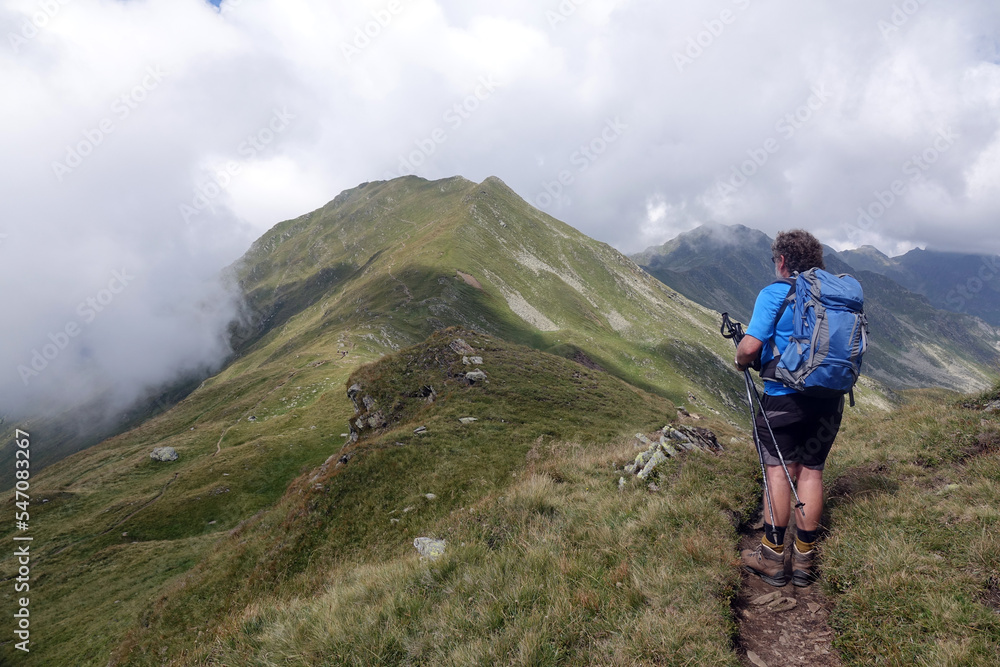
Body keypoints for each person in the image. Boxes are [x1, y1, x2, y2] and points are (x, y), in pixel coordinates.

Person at [734, 229, 844, 587]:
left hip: (783, 399)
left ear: (782, 261)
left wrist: (740, 360)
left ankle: (771, 556)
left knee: (779, 472)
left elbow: (750, 348)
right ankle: (804, 561)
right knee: (812, 470)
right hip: (829, 401)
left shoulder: (775, 293)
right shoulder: (834, 297)